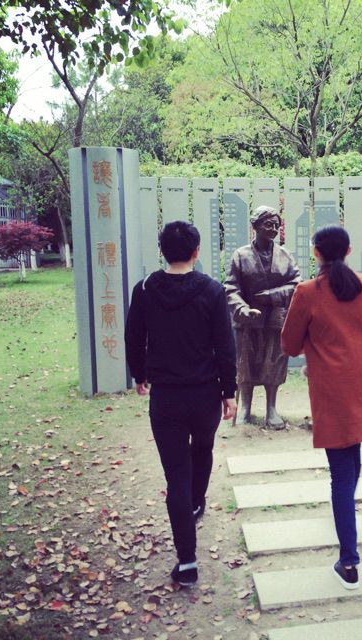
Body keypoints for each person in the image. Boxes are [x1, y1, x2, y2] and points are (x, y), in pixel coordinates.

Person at [280, 225, 362, 590]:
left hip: (331, 390)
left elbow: (289, 345)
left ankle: (349, 562)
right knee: (350, 461)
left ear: (315, 253)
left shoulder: (307, 292)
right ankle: (345, 519)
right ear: (348, 251)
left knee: (342, 475)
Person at [124, 220, 237, 587]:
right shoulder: (212, 290)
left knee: (176, 476)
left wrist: (139, 374)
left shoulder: (144, 290)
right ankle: (196, 502)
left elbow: (133, 337)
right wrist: (229, 391)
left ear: (162, 251)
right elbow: (225, 345)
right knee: (203, 449)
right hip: (205, 395)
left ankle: (187, 562)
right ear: (196, 251)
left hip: (167, 398)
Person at [224, 205, 301, 428]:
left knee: (274, 362)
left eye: (277, 225)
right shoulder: (241, 255)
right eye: (268, 224)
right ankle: (245, 408)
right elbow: (231, 287)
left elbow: (296, 284)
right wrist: (242, 309)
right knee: (246, 364)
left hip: (275, 318)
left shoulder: (285, 255)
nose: (273, 229)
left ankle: (271, 409)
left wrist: (272, 296)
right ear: (255, 226)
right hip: (248, 321)